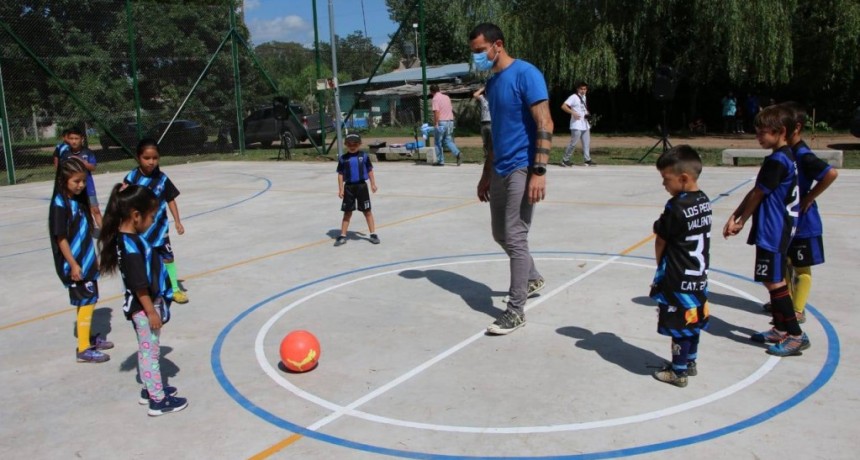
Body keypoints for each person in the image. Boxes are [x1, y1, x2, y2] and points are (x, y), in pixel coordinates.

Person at [469, 22, 551, 335]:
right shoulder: (492, 84)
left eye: (480, 51)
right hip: (500, 167)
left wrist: (539, 171)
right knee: (499, 233)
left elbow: (545, 123)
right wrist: (485, 175)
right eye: (474, 52)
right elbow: (497, 136)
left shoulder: (526, 74)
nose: (477, 57)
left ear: (497, 45)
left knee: (516, 236)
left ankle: (515, 310)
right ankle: (531, 277)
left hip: (522, 166)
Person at [723, 105, 808, 357]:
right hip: (775, 226)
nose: (758, 137)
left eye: (763, 133)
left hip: (774, 228)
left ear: (781, 131)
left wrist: (741, 220)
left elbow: (759, 193)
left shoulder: (778, 160)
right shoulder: (784, 156)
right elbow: (758, 189)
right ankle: (781, 328)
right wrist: (737, 214)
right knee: (772, 278)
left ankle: (795, 334)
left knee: (773, 281)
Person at [98, 184, 188, 416]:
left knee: (147, 348)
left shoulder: (127, 238)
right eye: (151, 216)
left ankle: (151, 388)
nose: (153, 221)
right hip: (143, 307)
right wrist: (151, 311)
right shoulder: (131, 247)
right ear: (136, 216)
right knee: (150, 352)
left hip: (142, 306)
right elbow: (139, 285)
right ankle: (157, 400)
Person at [649, 146, 711, 387]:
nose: (664, 185)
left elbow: (661, 237)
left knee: (679, 326)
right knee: (693, 319)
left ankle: (678, 371)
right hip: (698, 275)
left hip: (677, 276)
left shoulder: (676, 206)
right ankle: (690, 361)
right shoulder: (704, 200)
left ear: (684, 178)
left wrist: (659, 265)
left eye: (666, 179)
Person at [776, 102, 839, 323]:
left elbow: (830, 173)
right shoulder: (786, 152)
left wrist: (810, 196)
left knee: (802, 267)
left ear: (796, 127)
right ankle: (786, 299)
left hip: (804, 221)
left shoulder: (803, 153)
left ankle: (798, 309)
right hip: (787, 219)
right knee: (784, 262)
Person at [49, 157, 113, 363]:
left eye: (83, 181)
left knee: (87, 299)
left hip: (86, 259)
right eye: (76, 181)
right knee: (87, 300)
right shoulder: (60, 203)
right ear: (63, 180)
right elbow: (60, 238)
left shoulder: (79, 199)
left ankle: (88, 338)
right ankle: (83, 349)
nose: (81, 185)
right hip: (75, 262)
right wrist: (73, 264)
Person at [123, 139, 189, 304]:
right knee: (144, 258)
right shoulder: (132, 178)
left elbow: (171, 199)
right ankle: (149, 291)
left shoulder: (162, 178)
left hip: (160, 228)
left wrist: (177, 221)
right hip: (140, 229)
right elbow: (124, 201)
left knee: (167, 256)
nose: (151, 162)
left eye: (155, 158)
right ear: (138, 157)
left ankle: (174, 289)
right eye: (147, 158)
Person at [53, 127, 103, 232]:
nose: (74, 141)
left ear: (82, 139)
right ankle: (82, 230)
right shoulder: (66, 155)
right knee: (77, 209)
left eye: (76, 138)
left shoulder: (87, 152)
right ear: (67, 140)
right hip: (73, 188)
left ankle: (105, 233)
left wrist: (82, 162)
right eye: (71, 138)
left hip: (88, 186)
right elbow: (63, 171)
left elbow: (93, 167)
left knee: (95, 209)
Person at [335, 133, 379, 247]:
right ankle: (343, 235)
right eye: (349, 144)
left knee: (367, 211)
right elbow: (340, 174)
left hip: (362, 187)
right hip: (349, 187)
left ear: (359, 144)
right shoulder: (343, 159)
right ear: (345, 145)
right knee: (347, 212)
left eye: (355, 144)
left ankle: (373, 234)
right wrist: (341, 189)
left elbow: (370, 170)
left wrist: (373, 184)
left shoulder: (364, 156)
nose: (352, 146)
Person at [560, 82, 595, 166]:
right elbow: (563, 106)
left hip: (585, 124)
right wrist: (573, 113)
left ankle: (587, 159)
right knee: (573, 143)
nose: (583, 91)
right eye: (581, 89)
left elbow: (582, 108)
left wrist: (587, 114)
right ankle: (565, 159)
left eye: (585, 89)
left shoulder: (584, 97)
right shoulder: (573, 97)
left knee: (586, 143)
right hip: (576, 124)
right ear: (578, 89)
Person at [430, 84, 462, 166]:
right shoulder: (446, 97)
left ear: (431, 92)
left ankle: (441, 161)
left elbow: (437, 112)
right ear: (439, 89)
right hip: (450, 121)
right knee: (448, 140)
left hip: (441, 122)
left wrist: (436, 123)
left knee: (437, 142)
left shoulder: (435, 99)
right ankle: (457, 153)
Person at [473, 86, 492, 161]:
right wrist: (482, 89)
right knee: (485, 141)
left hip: (491, 122)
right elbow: (475, 95)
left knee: (492, 141)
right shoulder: (482, 98)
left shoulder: (493, 98)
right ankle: (487, 156)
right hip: (484, 122)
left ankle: (493, 156)